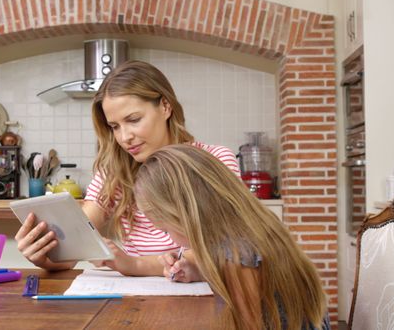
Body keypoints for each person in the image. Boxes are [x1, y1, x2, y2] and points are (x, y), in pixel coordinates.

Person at [15, 60, 240, 277]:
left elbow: (227, 251)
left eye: (133, 119)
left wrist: (135, 264)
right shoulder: (116, 173)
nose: (124, 138)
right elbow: (74, 246)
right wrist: (44, 254)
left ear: (165, 106)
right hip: (136, 303)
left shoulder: (215, 160)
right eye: (114, 126)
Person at [134, 145, 330, 330]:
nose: (172, 240)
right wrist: (198, 270)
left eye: (166, 230)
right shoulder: (247, 229)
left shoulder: (236, 255)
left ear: (185, 214)